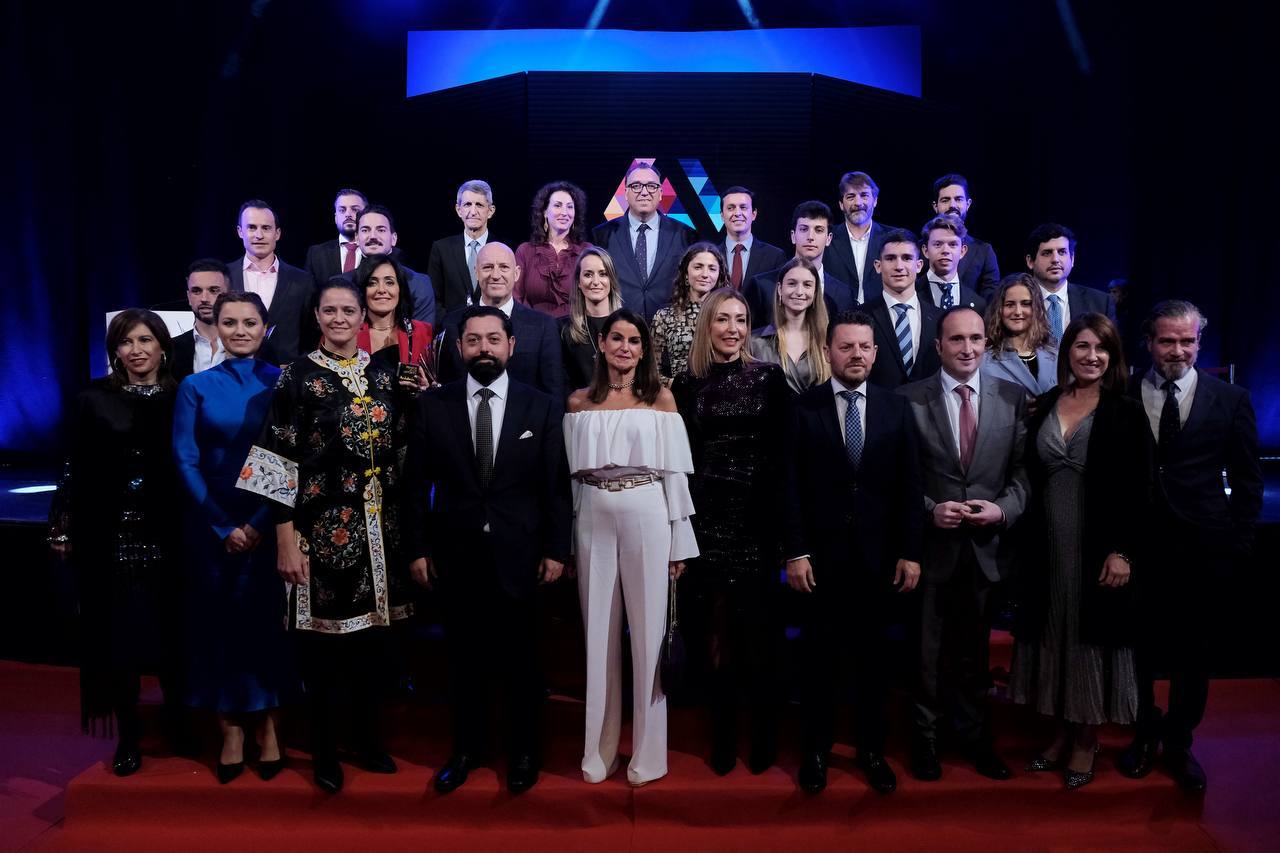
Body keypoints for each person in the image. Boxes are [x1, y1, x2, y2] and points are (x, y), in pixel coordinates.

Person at [236, 277, 413, 794]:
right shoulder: (295, 377)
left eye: (348, 310)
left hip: (383, 533)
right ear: (316, 316)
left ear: (363, 316)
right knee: (325, 652)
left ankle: (368, 740)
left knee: (374, 647)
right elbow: (275, 463)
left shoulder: (384, 376)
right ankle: (325, 751)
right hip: (321, 533)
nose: (339, 318)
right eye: (329, 310)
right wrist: (285, 540)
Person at [403, 306, 572, 795]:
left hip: (522, 556)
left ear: (511, 346)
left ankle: (523, 755)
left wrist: (556, 549)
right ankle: (465, 751)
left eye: (493, 340)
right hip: (455, 557)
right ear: (460, 348)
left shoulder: (540, 406)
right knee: (463, 664)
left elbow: (555, 487)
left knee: (524, 665)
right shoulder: (435, 406)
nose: (483, 349)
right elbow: (415, 486)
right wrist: (417, 548)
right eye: (473, 341)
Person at [1118, 300, 1263, 792]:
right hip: (1140, 548)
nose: (1177, 350)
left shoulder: (1231, 399)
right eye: (1166, 341)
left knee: (1193, 654)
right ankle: (1141, 732)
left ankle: (1179, 741)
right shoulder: (1124, 393)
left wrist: (1239, 543)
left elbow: (1248, 479)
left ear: (1200, 343)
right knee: (1136, 649)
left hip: (1204, 549)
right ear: (1149, 342)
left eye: (1186, 341)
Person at [784, 310, 924, 795]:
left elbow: (910, 486)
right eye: (847, 347)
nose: (857, 355)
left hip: (880, 561)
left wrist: (910, 551)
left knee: (873, 665)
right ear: (829, 351)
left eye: (865, 347)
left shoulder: (896, 409)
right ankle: (817, 752)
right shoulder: (804, 407)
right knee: (818, 663)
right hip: (820, 562)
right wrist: (796, 550)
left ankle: (871, 750)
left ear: (876, 351)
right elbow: (791, 487)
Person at [1010, 313, 1152, 790]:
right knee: (1054, 632)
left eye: (1102, 349)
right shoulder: (1047, 402)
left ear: (1113, 357)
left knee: (1089, 639)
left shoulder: (1125, 411)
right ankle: (1059, 730)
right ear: (1067, 351)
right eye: (1083, 347)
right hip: (1046, 545)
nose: (1092, 356)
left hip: (1097, 546)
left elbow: (1141, 490)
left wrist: (1124, 552)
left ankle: (1086, 738)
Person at [564, 308, 697, 786]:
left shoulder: (661, 399)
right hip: (593, 517)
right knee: (597, 638)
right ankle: (599, 753)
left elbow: (675, 477)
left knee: (648, 638)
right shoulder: (578, 403)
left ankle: (647, 755)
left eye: (634, 341)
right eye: (616, 338)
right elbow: (572, 484)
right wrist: (572, 546)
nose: (624, 347)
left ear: (644, 349)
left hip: (647, 512)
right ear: (601, 343)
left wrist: (679, 545)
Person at [48, 309, 184, 777]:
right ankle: (128, 735)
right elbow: (74, 464)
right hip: (110, 533)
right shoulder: (93, 398)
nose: (137, 350)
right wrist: (63, 524)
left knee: (173, 633)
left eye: (146, 340)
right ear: (115, 351)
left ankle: (179, 723)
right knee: (120, 639)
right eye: (127, 342)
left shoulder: (182, 395)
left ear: (163, 346)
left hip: (172, 532)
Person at [898, 306, 1030, 783]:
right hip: (931, 550)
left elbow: (1023, 475)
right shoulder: (908, 400)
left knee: (976, 657)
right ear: (938, 346)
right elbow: (897, 479)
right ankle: (926, 742)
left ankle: (976, 740)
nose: (968, 348)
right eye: (957, 339)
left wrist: (1004, 509)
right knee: (926, 656)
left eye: (976, 338)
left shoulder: (1014, 398)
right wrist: (931, 507)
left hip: (987, 549)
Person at [172, 292, 295, 784]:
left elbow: (292, 455)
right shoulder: (194, 387)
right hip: (211, 524)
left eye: (249, 322)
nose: (240, 330)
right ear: (216, 327)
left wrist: (258, 524)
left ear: (265, 327)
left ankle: (269, 726)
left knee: (268, 627)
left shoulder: (283, 381)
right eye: (230, 322)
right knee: (218, 628)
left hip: (271, 522)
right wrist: (224, 525)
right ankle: (230, 730)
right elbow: (184, 459)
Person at [673, 289, 789, 775]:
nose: (732, 329)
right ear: (707, 325)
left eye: (741, 320)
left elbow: (785, 460)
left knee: (759, 635)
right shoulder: (685, 383)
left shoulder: (771, 379)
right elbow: (677, 464)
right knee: (716, 636)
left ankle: (762, 733)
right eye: (722, 319)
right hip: (706, 522)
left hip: (756, 521)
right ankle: (722, 733)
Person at [437, 242, 565, 399]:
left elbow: (554, 394)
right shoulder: (451, 323)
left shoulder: (544, 326)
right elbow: (444, 387)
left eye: (504, 267)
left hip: (526, 422)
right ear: (476, 272)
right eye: (487, 267)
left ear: (516, 273)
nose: (495, 275)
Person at [590, 162, 695, 321]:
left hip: (670, 329)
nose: (644, 192)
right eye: (636, 186)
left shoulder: (685, 234)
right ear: (626, 193)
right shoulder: (602, 235)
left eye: (652, 186)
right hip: (619, 328)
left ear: (660, 193)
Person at [227, 199, 315, 365]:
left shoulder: (302, 281)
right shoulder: (224, 277)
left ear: (277, 233)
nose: (259, 235)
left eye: (266, 228)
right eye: (252, 227)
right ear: (240, 231)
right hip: (234, 374)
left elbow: (312, 335)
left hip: (286, 380)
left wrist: (297, 369)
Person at [743, 200, 854, 325]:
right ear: (793, 236)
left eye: (818, 230)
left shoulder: (844, 294)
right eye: (803, 229)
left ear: (829, 238)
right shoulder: (762, 286)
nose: (810, 236)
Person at [864, 229, 943, 389]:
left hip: (929, 410)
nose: (899, 266)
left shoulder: (940, 318)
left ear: (919, 265)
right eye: (891, 258)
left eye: (907, 258)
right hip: (881, 410)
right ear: (878, 266)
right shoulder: (861, 316)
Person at [748, 257, 831, 394]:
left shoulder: (826, 341)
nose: (799, 292)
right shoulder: (755, 342)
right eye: (792, 284)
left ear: (815, 292)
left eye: (807, 285)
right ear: (780, 289)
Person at [354, 253, 433, 389]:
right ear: (362, 290)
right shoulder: (348, 334)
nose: (381, 290)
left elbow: (438, 385)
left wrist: (426, 390)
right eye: (372, 283)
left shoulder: (423, 332)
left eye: (389, 282)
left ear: (400, 289)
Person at [651, 242, 729, 382]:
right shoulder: (664, 316)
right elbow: (651, 369)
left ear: (719, 275)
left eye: (712, 269)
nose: (705, 274)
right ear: (686, 273)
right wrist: (676, 386)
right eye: (698, 267)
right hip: (679, 397)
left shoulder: (727, 316)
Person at [1024, 223, 1112, 342]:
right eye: (1047, 253)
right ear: (1030, 261)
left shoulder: (1101, 303)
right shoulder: (1014, 303)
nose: (1055, 259)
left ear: (1072, 259)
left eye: (1062, 252)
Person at [514, 180, 591, 317]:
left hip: (576, 330)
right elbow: (516, 297)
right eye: (557, 206)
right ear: (544, 212)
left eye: (570, 207)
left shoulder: (586, 251)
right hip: (534, 329)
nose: (564, 212)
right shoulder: (525, 251)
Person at [349, 205, 436, 325]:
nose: (373, 236)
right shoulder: (341, 283)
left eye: (381, 230)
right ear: (357, 238)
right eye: (365, 230)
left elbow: (421, 337)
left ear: (393, 238)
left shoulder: (419, 284)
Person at [427, 179, 501, 318]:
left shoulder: (504, 249)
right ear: (458, 210)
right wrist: (450, 327)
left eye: (479, 205)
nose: (473, 212)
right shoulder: (441, 249)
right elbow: (434, 299)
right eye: (467, 204)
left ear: (490, 211)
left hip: (493, 329)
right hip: (453, 331)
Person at [826, 171, 903, 305]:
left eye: (864, 195)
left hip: (881, 319)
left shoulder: (893, 239)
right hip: (835, 319)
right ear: (841, 204)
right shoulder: (827, 238)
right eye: (851, 197)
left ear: (875, 201)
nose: (858, 202)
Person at [981, 273, 1059, 396]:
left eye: (1025, 304)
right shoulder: (985, 360)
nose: (1017, 312)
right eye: (1010, 305)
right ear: (999, 310)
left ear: (1036, 308)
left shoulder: (1055, 356)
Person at [559, 246, 623, 395]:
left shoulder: (629, 325)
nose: (596, 281)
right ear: (579, 282)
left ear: (611, 280)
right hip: (580, 410)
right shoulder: (562, 329)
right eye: (588, 275)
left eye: (603, 274)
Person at [930, 174, 1000, 300]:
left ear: (968, 204)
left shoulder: (984, 251)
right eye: (945, 200)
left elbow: (991, 301)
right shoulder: (919, 249)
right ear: (935, 206)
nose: (952, 205)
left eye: (958, 199)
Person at [171, 259, 230, 382]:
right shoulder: (171, 349)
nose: (204, 298)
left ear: (229, 295)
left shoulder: (253, 346)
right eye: (196, 291)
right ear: (188, 297)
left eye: (213, 290)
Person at [918, 214, 988, 314]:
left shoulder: (979, 304)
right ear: (925, 251)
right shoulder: (911, 293)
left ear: (962, 251)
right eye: (938, 244)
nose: (945, 250)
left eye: (953, 244)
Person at [720, 186, 787, 289]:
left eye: (743, 207)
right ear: (722, 216)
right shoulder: (711, 256)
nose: (737, 213)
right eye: (730, 208)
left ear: (753, 214)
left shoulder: (774, 257)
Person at [304, 188, 368, 289]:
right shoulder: (316, 254)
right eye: (342, 210)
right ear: (335, 218)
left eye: (355, 210)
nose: (348, 214)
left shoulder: (378, 250)